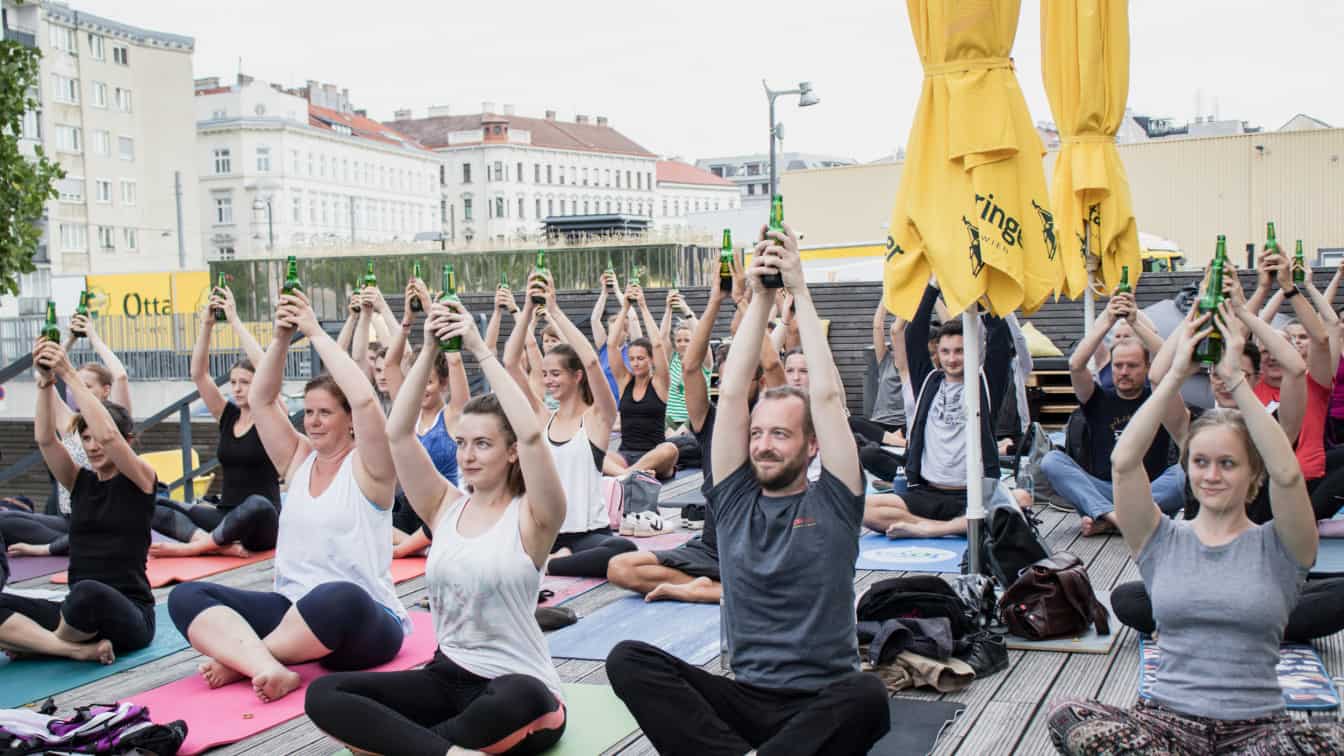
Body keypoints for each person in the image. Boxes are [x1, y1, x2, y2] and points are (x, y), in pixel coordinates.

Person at [606, 224, 890, 756]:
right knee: (629, 659)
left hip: (821, 703)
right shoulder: (735, 501)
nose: (762, 444)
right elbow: (732, 393)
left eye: (779, 434)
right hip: (746, 699)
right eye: (757, 434)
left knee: (868, 695)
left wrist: (800, 289)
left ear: (811, 448)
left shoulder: (834, 501)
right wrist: (757, 298)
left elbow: (827, 399)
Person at [1047, 305, 1344, 755]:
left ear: (1252, 475)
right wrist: (1173, 374)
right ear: (1188, 469)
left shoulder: (1282, 544)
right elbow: (1124, 462)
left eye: (1228, 464)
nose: (1211, 475)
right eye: (1201, 462)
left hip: (1257, 733)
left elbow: (1286, 471)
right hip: (1165, 724)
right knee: (1068, 712)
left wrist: (1237, 378)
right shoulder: (1160, 538)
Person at [304, 299, 567, 755]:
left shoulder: (535, 515)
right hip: (446, 677)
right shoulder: (444, 505)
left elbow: (531, 435)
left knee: (514, 696)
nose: (466, 455)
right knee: (324, 695)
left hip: (517, 689)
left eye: (482, 444)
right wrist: (426, 349)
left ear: (509, 454)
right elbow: (398, 434)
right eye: (462, 442)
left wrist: (478, 349)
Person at [166, 289, 408, 704]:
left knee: (339, 595)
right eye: (308, 412)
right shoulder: (297, 459)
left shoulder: (371, 468)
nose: (312, 421)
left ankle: (246, 658)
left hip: (363, 621)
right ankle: (265, 666)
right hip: (292, 610)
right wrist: (280, 337)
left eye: (325, 412)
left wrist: (313, 331)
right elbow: (260, 398)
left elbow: (367, 398)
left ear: (349, 421)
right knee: (186, 595)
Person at [606, 260, 783, 604]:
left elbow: (774, 364)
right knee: (620, 568)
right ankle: (718, 588)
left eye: (741, 375)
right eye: (725, 376)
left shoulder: (775, 422)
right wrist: (716, 300)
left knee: (787, 578)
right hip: (712, 547)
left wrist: (744, 303)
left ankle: (716, 589)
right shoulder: (710, 420)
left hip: (759, 548)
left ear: (759, 382)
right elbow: (689, 366)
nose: (729, 384)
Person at [0, 339, 156, 663]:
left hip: (127, 614)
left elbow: (110, 435)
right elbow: (45, 439)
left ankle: (37, 644)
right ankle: (70, 649)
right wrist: (45, 383)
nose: (94, 446)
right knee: (77, 595)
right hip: (74, 615)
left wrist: (69, 372)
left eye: (97, 438)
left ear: (127, 442)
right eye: (85, 438)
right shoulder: (78, 480)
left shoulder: (140, 479)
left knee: (88, 592)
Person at [863, 282, 1030, 538]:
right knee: (862, 509)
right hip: (927, 493)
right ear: (937, 355)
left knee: (1021, 499)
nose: (952, 359)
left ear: (972, 352)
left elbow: (1000, 342)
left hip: (972, 495)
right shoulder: (928, 382)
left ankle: (929, 529)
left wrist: (983, 290)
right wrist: (931, 287)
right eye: (946, 352)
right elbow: (914, 335)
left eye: (960, 351)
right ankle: (950, 526)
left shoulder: (984, 385)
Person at [507, 272, 635, 578]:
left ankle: (551, 564)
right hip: (548, 533)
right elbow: (510, 363)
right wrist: (525, 310)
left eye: (556, 374)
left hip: (589, 536)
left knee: (624, 551)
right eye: (545, 374)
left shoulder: (597, 418)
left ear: (576, 377)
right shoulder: (542, 417)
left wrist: (555, 310)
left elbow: (591, 362)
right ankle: (552, 558)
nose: (548, 381)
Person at [148, 285, 280, 558]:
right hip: (225, 516)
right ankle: (212, 543)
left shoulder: (271, 416)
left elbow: (266, 365)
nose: (238, 389)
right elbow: (199, 374)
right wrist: (207, 325)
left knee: (256, 504)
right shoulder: (228, 415)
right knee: (150, 505)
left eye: (245, 382)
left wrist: (233, 320)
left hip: (261, 521)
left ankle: (200, 547)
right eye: (233, 383)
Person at [1041, 291, 1186, 535]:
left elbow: (1170, 360)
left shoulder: (1158, 397)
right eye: (1118, 366)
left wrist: (1134, 321)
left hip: (1150, 492)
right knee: (1051, 461)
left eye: (1132, 365)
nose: (1124, 371)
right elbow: (1076, 365)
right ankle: (1117, 518)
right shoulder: (1096, 397)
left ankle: (1107, 519)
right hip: (1104, 489)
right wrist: (1107, 320)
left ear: (1147, 367)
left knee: (1184, 473)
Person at [2, 312, 133, 557]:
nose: (76, 390)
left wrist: (92, 335)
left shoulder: (113, 424)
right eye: (76, 384)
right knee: (7, 519)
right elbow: (44, 377)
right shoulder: (71, 422)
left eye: (87, 386)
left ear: (106, 391)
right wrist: (69, 340)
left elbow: (121, 376)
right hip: (68, 519)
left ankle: (64, 547)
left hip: (101, 522)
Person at [382, 276, 469, 558]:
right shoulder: (408, 416)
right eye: (417, 383)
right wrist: (407, 319)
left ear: (443, 383)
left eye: (428, 382)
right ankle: (413, 546)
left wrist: (432, 310)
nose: (420, 390)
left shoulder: (454, 414)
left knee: (440, 520)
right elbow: (390, 364)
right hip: (409, 512)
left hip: (442, 511)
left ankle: (409, 547)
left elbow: (454, 360)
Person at [604, 281, 683, 479]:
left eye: (641, 358)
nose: (636, 363)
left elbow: (657, 344)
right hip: (625, 455)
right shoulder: (625, 382)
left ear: (650, 360)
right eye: (632, 359)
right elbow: (612, 345)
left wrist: (642, 306)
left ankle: (627, 475)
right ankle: (632, 474)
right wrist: (625, 307)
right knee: (597, 453)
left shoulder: (659, 383)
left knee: (671, 449)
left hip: (655, 457)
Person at [849, 300, 908, 447]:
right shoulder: (885, 360)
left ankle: (895, 441)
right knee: (852, 422)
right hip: (879, 425)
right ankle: (900, 443)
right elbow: (877, 326)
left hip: (904, 426)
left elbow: (897, 331)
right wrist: (886, 296)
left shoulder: (914, 366)